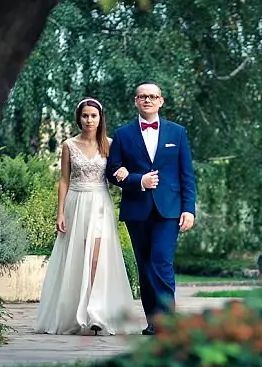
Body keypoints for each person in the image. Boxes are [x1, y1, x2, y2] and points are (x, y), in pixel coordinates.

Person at [34, 97, 137, 336]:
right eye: (85, 115)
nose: (89, 120)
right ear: (79, 118)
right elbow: (63, 180)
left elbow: (120, 171)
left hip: (100, 203)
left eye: (93, 115)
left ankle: (96, 314)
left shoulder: (110, 144)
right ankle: (74, 314)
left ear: (101, 118)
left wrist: (125, 172)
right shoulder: (69, 144)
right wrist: (60, 212)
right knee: (77, 258)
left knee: (96, 260)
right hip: (76, 203)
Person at [106, 81, 197, 335]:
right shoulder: (123, 134)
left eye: (152, 96)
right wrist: (138, 181)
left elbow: (186, 173)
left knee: (161, 260)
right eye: (142, 96)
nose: (147, 100)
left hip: (169, 210)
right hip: (137, 209)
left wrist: (189, 209)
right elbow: (112, 172)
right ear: (136, 101)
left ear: (161, 101)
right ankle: (153, 322)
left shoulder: (177, 132)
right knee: (145, 265)